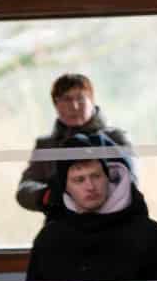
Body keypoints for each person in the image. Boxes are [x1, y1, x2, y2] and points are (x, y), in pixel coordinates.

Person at [24, 133, 157, 281]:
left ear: (107, 177)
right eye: (79, 180)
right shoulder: (49, 240)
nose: (90, 186)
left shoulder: (149, 235)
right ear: (65, 188)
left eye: (96, 176)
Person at [16, 73, 133, 213]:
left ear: (92, 101)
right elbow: (24, 189)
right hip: (62, 221)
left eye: (81, 99)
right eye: (66, 100)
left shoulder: (115, 138)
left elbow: (131, 182)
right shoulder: (46, 145)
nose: (74, 106)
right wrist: (48, 195)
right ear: (56, 104)